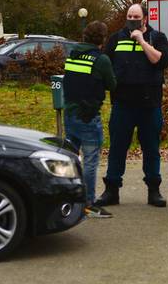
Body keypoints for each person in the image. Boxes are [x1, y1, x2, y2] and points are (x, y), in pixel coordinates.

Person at [94, 4, 168, 208]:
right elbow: (104, 65)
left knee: (151, 149)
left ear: (145, 18)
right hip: (123, 104)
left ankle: (154, 190)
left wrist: (141, 40)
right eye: (129, 16)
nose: (132, 19)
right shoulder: (116, 39)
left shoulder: (158, 38)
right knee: (117, 148)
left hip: (149, 105)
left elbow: (161, 62)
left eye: (136, 16)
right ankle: (111, 190)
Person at [63, 21, 116, 218]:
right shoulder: (101, 60)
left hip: (70, 113)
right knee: (91, 161)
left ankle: (70, 199)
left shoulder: (73, 54)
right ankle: (88, 204)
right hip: (88, 116)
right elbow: (112, 84)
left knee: (71, 159)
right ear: (103, 39)